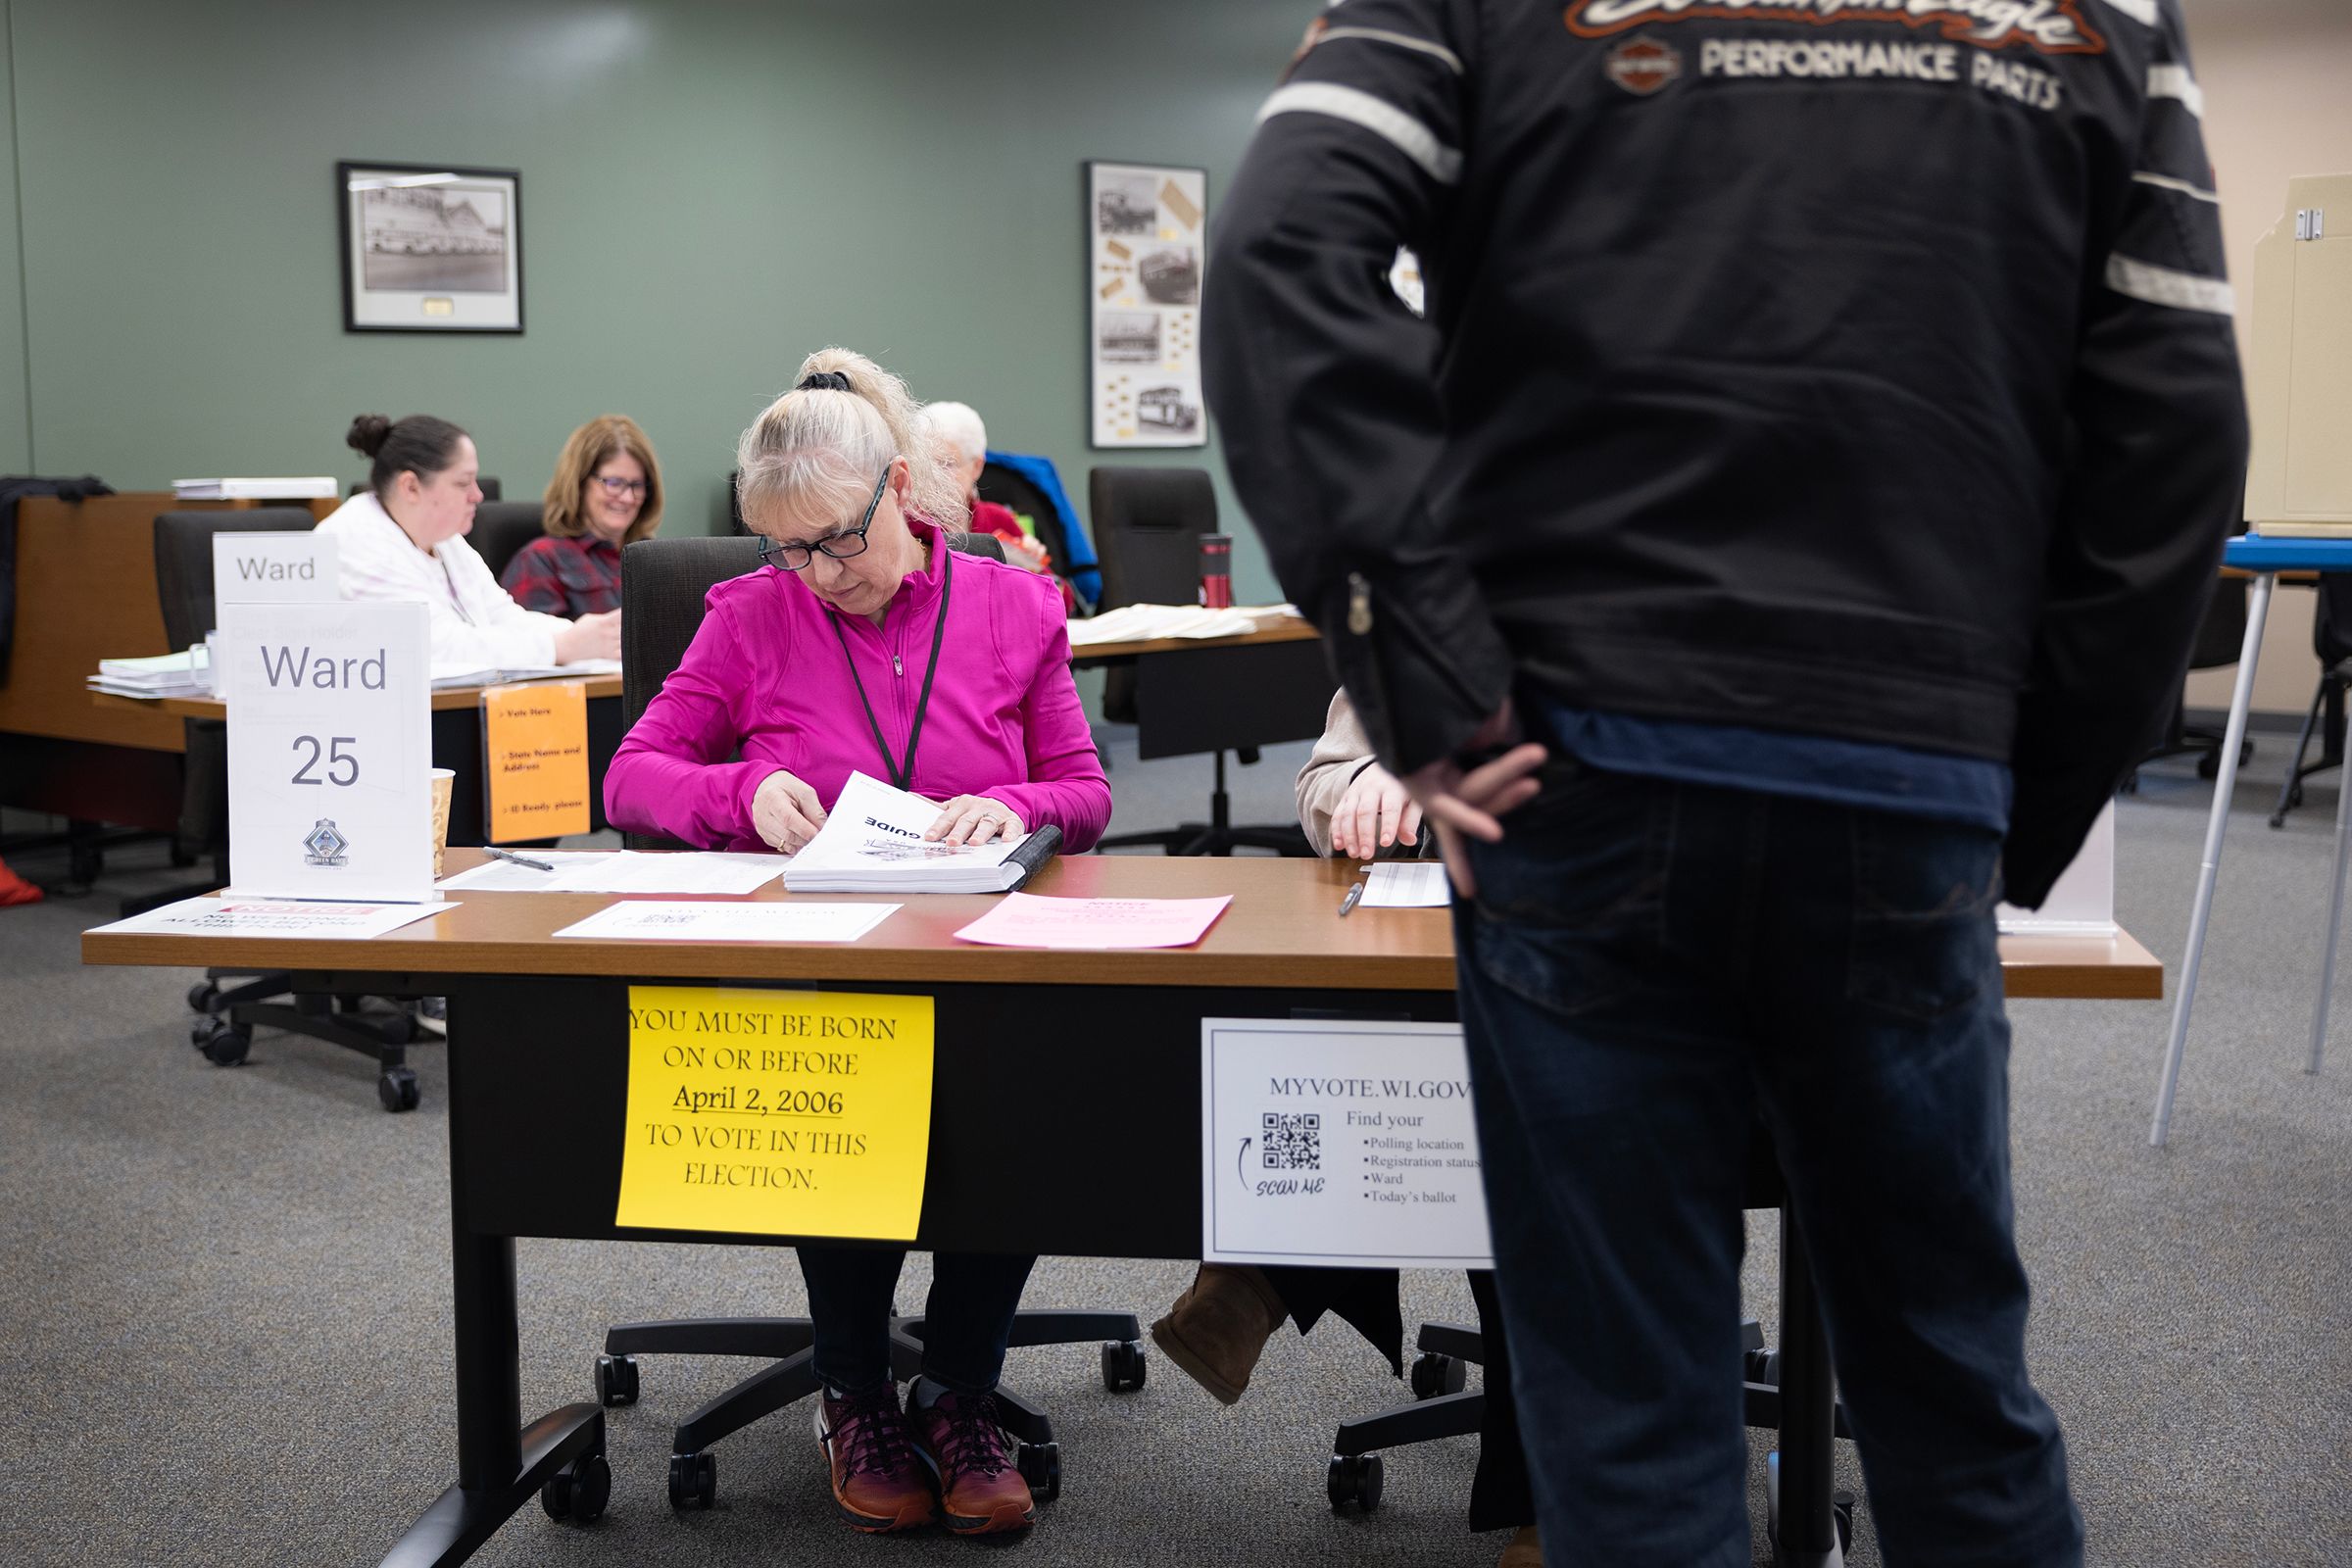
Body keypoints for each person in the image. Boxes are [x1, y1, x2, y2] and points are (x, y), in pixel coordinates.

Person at [1203, 6, 2244, 1566]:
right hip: (1899, 763)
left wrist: (1429, 682)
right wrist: (2017, 787)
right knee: (1956, 1402)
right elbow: (2177, 416)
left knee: (1629, 1435)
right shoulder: (2108, 16)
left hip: (1574, 770)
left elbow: (1279, 262)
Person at [604, 348, 1110, 1536]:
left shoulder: (1014, 605)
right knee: (842, 1077)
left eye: (835, 538)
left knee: (1017, 1097)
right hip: (824, 960)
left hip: (982, 949)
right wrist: (740, 793)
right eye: (787, 547)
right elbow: (634, 776)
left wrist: (1019, 804)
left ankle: (960, 1386)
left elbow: (1084, 789)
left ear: (900, 493)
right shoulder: (750, 613)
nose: (817, 572)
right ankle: (853, 1390)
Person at [1153, 688, 1538, 1568]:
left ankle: (1269, 1269)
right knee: (1357, 1030)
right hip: (1463, 937)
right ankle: (1272, 1260)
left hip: (1671, 953)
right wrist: (1368, 777)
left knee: (1520, 1103)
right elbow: (1324, 781)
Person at [320, 415, 620, 669]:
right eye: (463, 483)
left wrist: (597, 635)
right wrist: (562, 646)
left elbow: (502, 615)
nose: (478, 495)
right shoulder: (355, 543)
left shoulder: (445, 539)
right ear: (411, 487)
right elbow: (440, 651)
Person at [500, 415, 664, 615]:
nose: (628, 498)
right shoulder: (541, 561)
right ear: (579, 483)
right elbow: (537, 645)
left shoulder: (655, 560)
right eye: (613, 483)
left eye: (636, 485)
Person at [920, 401, 1053, 575]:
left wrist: (1033, 566)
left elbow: (1059, 593)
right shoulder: (909, 522)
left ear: (977, 467)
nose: (934, 475)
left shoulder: (998, 520)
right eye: (925, 464)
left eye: (947, 464)